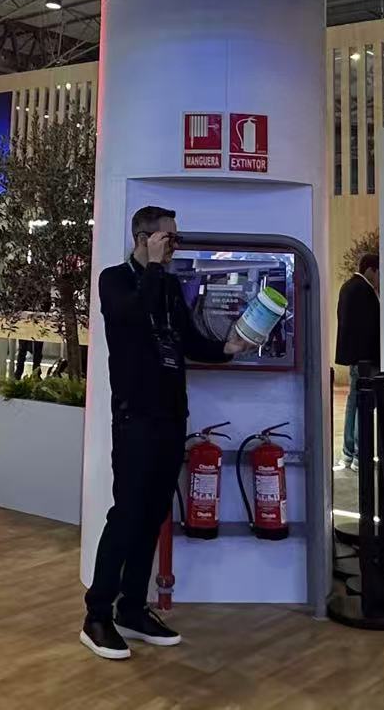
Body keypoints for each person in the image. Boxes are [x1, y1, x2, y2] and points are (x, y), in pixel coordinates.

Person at [81, 206, 246, 661]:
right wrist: (153, 268)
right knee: (127, 514)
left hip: (171, 416)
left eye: (175, 238)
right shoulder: (114, 280)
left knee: (154, 514)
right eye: (169, 238)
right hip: (135, 417)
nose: (175, 245)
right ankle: (97, 615)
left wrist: (226, 348)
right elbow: (133, 317)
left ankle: (132, 608)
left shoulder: (170, 287)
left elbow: (187, 340)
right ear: (144, 238)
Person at [333, 251, 381, 471]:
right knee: (364, 405)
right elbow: (370, 328)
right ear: (371, 270)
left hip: (355, 358)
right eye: (378, 273)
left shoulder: (348, 287)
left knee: (353, 404)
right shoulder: (364, 291)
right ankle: (360, 454)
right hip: (366, 360)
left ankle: (349, 452)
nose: (379, 279)